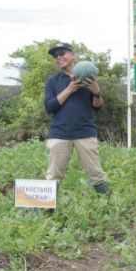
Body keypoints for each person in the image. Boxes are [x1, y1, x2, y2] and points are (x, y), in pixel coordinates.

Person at [44, 42, 110, 194]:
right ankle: (47, 211)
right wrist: (70, 89)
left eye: (62, 53)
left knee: (96, 175)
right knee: (53, 176)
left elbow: (97, 107)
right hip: (59, 134)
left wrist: (96, 92)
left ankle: (109, 206)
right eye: (56, 55)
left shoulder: (88, 77)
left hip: (85, 132)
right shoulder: (53, 81)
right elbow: (49, 107)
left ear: (73, 55)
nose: (58, 57)